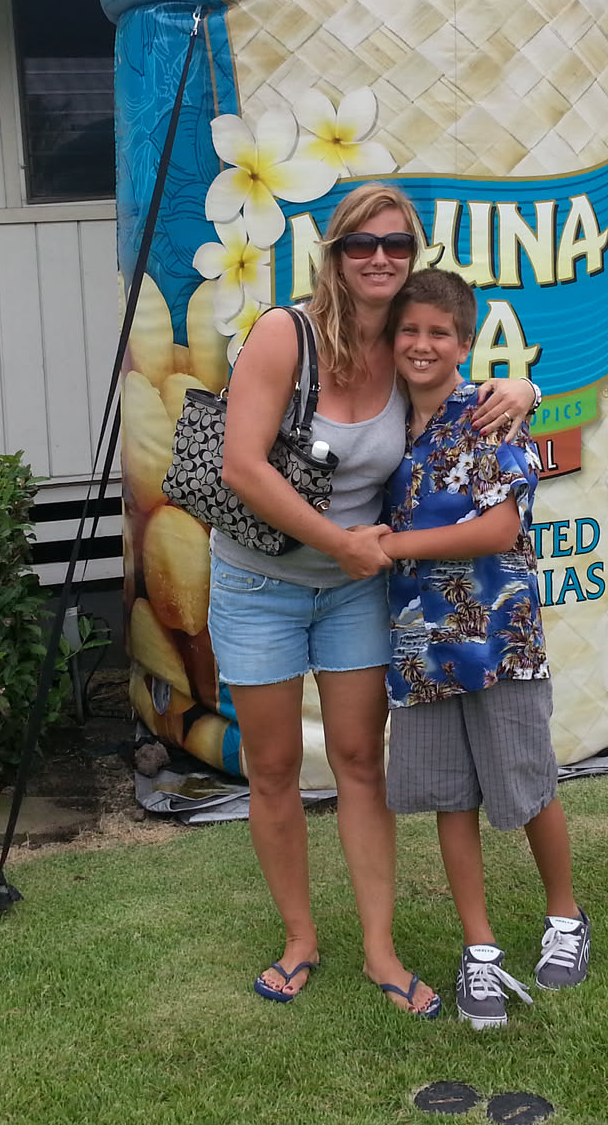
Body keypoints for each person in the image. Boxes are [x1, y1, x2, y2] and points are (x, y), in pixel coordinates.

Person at [214, 182, 539, 1016]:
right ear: (335, 253)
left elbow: (460, 381)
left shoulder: (403, 342)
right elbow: (241, 466)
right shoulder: (285, 335)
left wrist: (524, 390)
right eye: (362, 244)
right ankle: (299, 939)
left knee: (361, 764)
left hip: (357, 590)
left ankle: (380, 950)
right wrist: (341, 542)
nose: (380, 258)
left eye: (396, 244)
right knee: (274, 769)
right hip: (260, 584)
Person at [376, 268, 588, 1030]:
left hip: (500, 641)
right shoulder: (381, 419)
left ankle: (565, 916)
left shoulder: (491, 413)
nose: (422, 345)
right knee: (450, 796)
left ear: (464, 343)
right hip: (420, 642)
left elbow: (500, 528)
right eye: (409, 330)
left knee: (528, 783)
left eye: (438, 333)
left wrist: (390, 545)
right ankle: (480, 948)